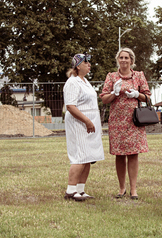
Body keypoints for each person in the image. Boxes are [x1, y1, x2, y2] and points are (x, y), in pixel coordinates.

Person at [100, 48, 151, 200]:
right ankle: (122, 188)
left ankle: (133, 189)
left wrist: (137, 94)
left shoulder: (139, 75)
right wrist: (114, 94)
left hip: (134, 120)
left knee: (133, 154)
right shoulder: (112, 76)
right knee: (119, 155)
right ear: (118, 60)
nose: (123, 60)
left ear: (131, 60)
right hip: (117, 121)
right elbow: (104, 98)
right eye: (121, 57)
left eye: (126, 58)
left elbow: (148, 97)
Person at [63, 53, 105, 201]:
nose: (89, 64)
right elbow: (70, 106)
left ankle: (80, 190)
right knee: (79, 156)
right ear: (78, 65)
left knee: (88, 156)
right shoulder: (72, 82)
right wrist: (86, 120)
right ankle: (70, 190)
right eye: (86, 62)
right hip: (79, 123)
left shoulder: (85, 81)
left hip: (90, 124)